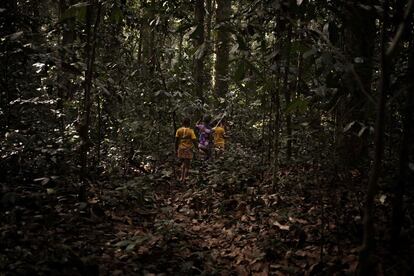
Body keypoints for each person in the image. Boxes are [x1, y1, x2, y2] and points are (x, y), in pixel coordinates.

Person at [175, 117, 197, 183]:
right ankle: (183, 178)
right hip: (188, 149)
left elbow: (176, 140)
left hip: (181, 148)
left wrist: (176, 148)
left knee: (183, 163)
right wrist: (197, 147)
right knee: (187, 164)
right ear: (189, 123)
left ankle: (182, 177)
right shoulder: (191, 131)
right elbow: (194, 140)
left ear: (182, 123)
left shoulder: (179, 130)